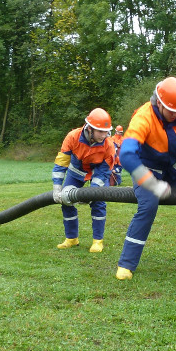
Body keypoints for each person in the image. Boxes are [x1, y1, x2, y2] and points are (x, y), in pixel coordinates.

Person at [115, 77, 176, 280]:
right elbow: (127, 155)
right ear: (159, 103)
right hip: (147, 171)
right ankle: (126, 264)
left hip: (174, 169)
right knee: (148, 206)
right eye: (171, 111)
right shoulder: (143, 117)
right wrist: (151, 184)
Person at [52, 108, 116, 253]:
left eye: (106, 131)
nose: (104, 135)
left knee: (98, 202)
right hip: (76, 172)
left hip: (98, 174)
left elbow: (104, 171)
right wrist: (57, 186)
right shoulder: (73, 137)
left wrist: (91, 193)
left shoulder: (108, 145)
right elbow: (61, 162)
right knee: (66, 200)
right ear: (89, 128)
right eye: (100, 131)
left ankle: (97, 241)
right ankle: (71, 238)